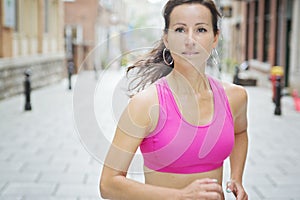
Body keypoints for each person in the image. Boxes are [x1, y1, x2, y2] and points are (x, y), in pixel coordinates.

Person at [100, 0, 248, 199]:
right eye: (180, 29)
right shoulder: (145, 104)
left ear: (215, 38)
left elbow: (240, 132)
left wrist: (236, 176)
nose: (190, 40)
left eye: (201, 30)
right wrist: (181, 196)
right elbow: (108, 184)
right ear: (167, 39)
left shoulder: (235, 97)